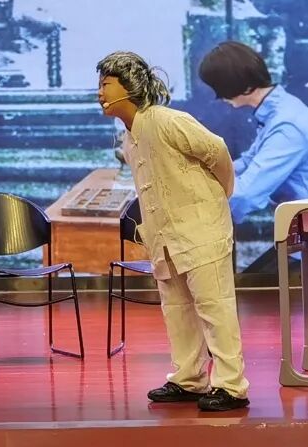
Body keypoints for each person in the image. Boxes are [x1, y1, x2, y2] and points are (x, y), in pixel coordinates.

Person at [96, 51, 250, 412]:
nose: (100, 93)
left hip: (201, 229)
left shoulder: (167, 120)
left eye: (106, 84)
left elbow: (217, 151)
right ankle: (189, 378)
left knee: (214, 306)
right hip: (165, 235)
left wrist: (218, 196)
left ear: (129, 86)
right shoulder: (129, 138)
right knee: (177, 309)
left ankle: (231, 386)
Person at [199, 41, 308, 224]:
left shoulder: (287, 126)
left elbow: (245, 195)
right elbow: (249, 162)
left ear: (241, 86)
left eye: (218, 88)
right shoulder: (278, 110)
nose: (219, 97)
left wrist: (196, 200)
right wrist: (204, 174)